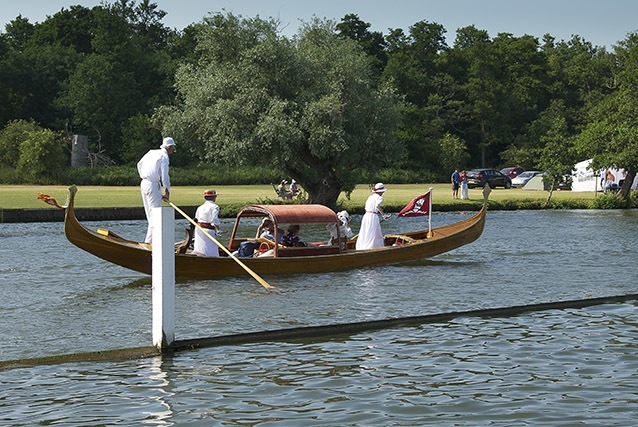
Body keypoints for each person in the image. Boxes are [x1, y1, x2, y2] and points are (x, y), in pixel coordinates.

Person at [137, 137, 176, 243]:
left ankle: (151, 241)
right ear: (169, 147)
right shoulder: (164, 156)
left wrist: (144, 175)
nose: (173, 151)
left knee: (150, 215)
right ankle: (149, 243)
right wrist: (167, 191)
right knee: (155, 216)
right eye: (173, 148)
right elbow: (165, 176)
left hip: (144, 183)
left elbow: (139, 164)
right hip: (153, 184)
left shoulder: (151, 152)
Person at [356, 183, 388, 250]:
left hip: (366, 216)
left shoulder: (370, 197)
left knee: (366, 231)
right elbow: (377, 206)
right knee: (375, 232)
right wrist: (383, 215)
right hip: (373, 216)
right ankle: (374, 247)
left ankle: (362, 247)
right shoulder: (380, 198)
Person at [193, 189, 221, 257]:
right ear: (214, 197)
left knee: (200, 247)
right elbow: (215, 219)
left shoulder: (200, 207)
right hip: (209, 230)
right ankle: (213, 259)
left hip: (198, 230)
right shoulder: (215, 207)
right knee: (211, 248)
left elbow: (196, 219)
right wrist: (218, 229)